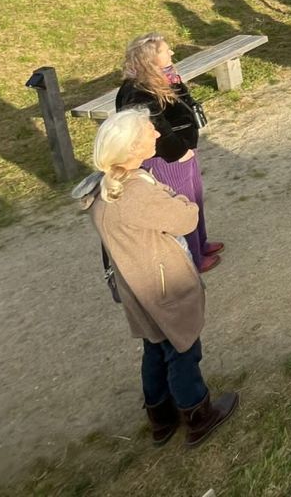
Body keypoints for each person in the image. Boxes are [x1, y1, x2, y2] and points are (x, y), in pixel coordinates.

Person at [76, 107, 239, 447]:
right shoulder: (137, 193)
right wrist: (174, 195)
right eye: (148, 132)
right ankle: (197, 414)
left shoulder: (108, 189)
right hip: (162, 285)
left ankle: (160, 417)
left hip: (137, 286)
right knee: (183, 348)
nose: (156, 134)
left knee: (155, 348)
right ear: (133, 148)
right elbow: (187, 217)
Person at [117, 33, 222, 272]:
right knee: (180, 203)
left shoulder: (164, 77)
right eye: (166, 50)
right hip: (166, 157)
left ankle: (201, 242)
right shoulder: (138, 90)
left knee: (194, 195)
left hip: (185, 148)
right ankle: (192, 258)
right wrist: (177, 152)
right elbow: (153, 126)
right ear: (151, 58)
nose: (171, 53)